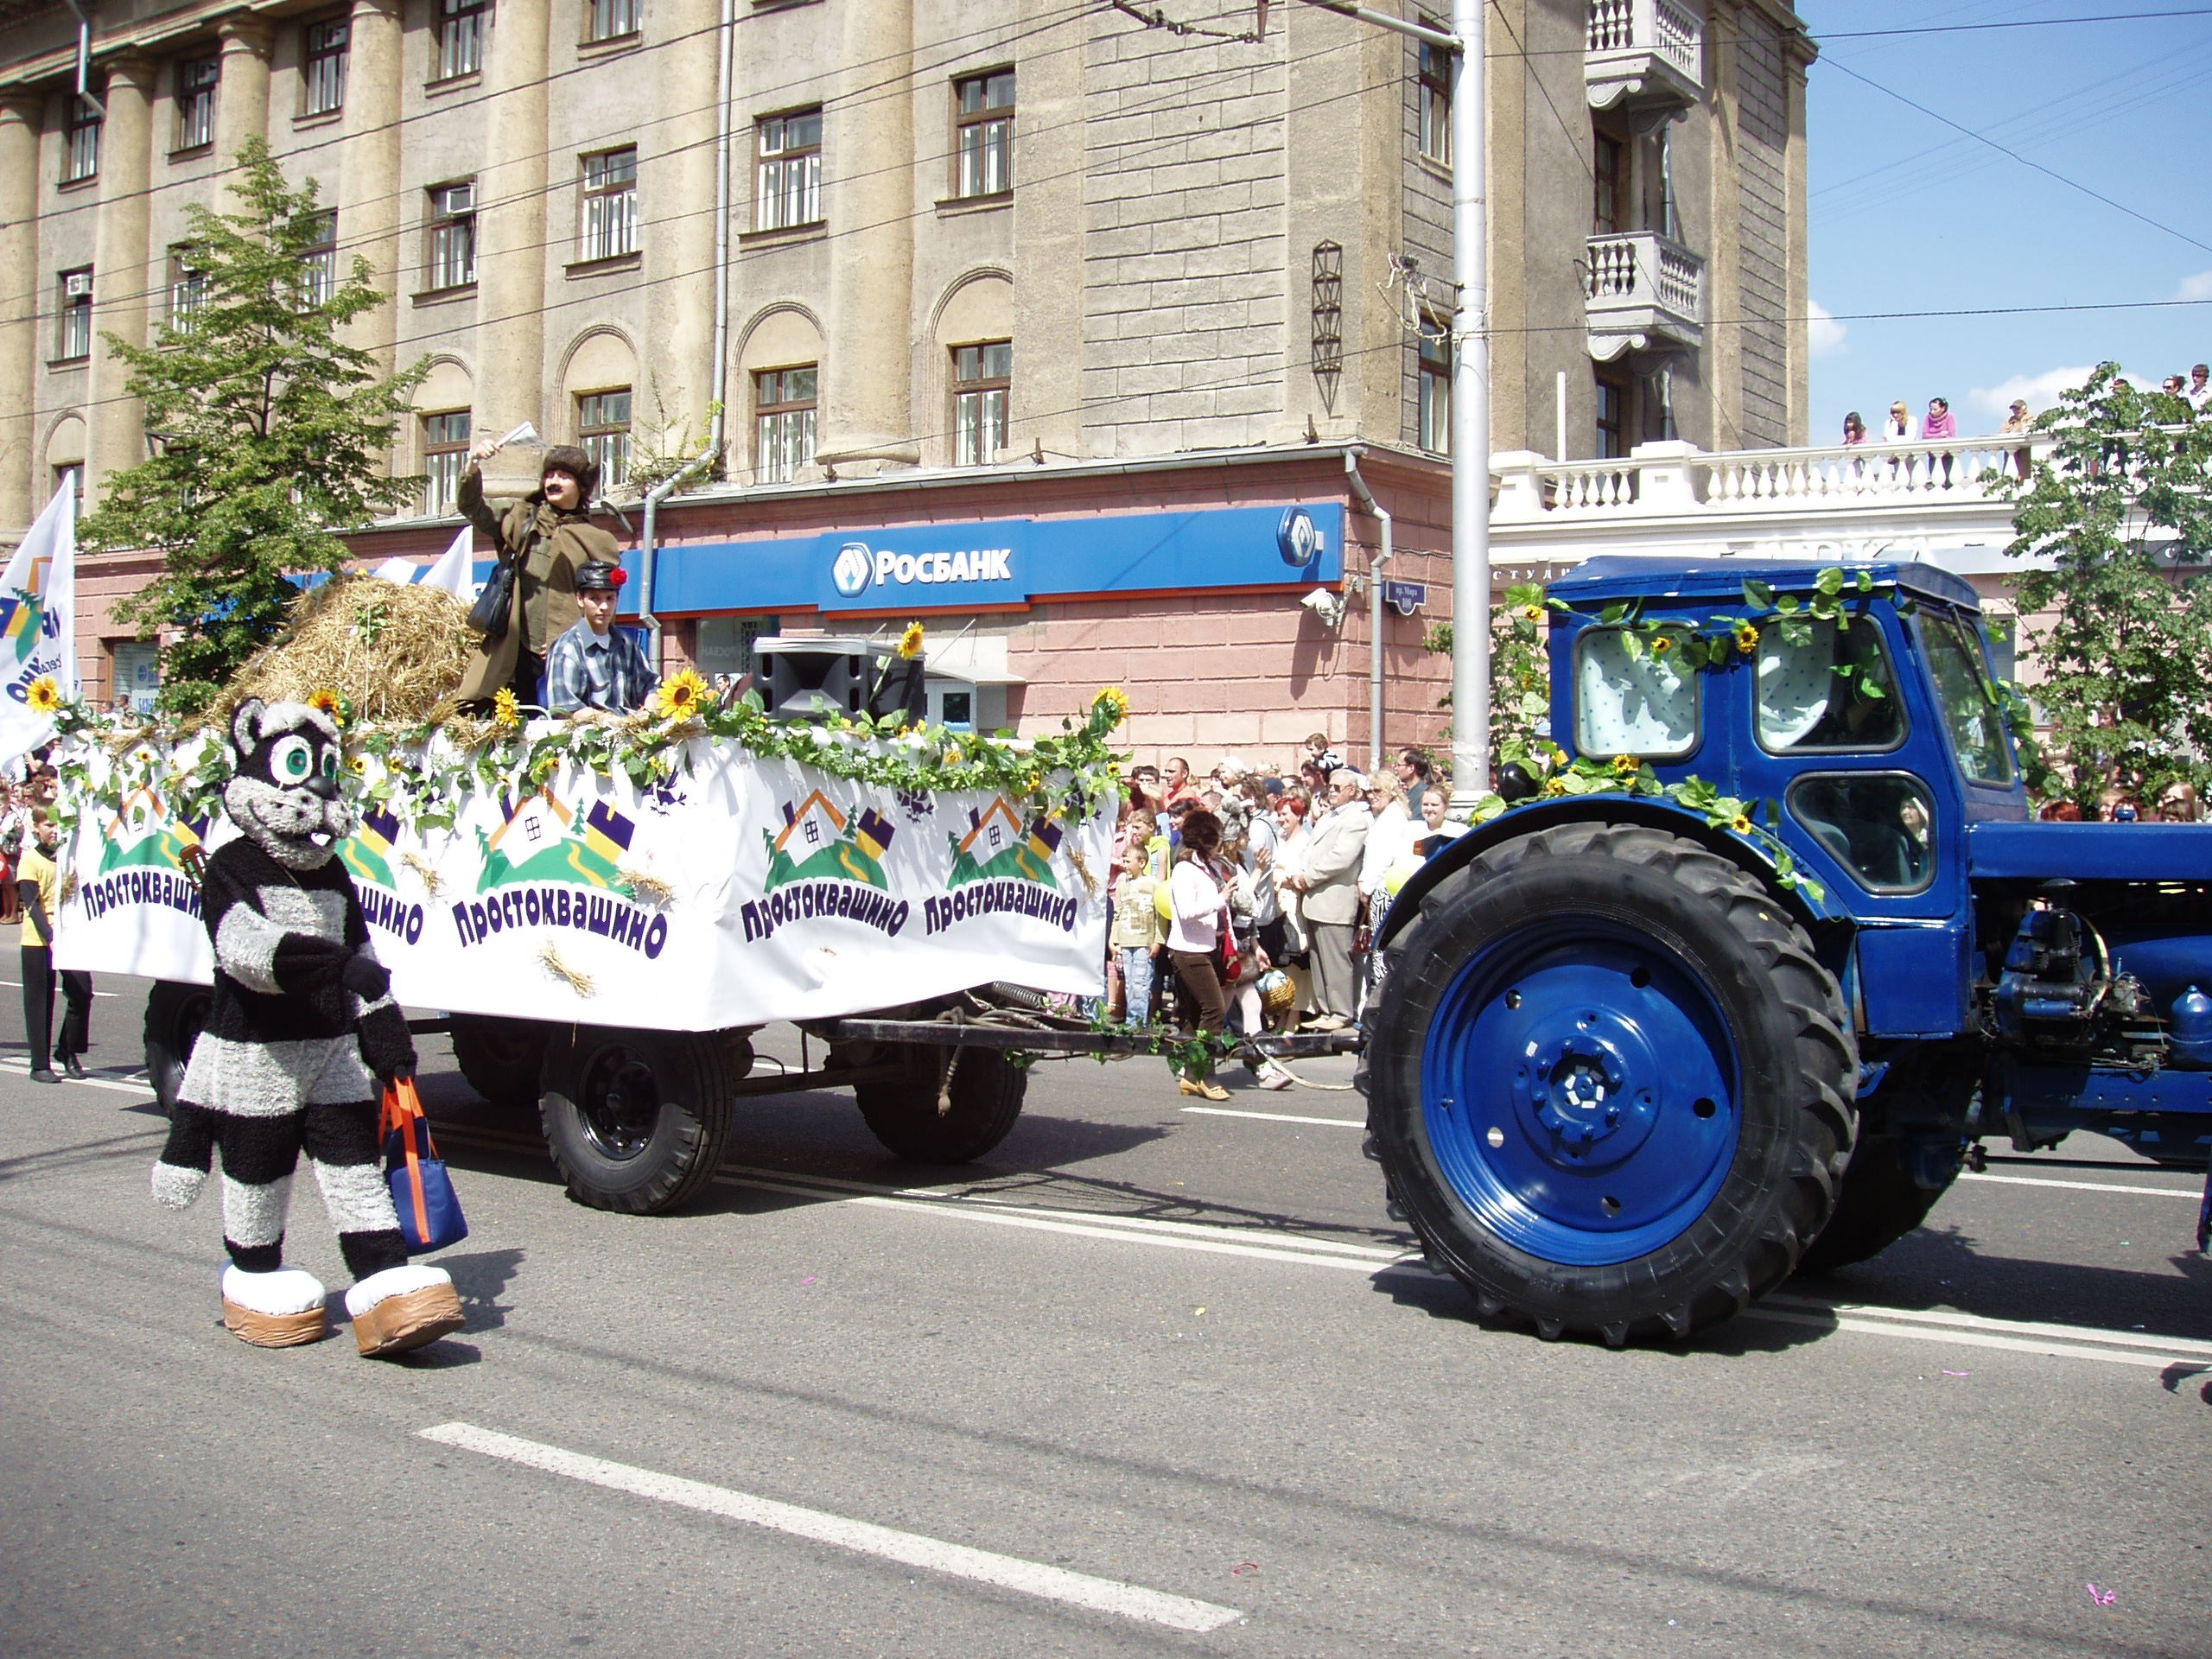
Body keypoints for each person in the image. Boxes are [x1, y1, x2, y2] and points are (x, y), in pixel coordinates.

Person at [454, 437, 620, 709]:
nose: (553, 481)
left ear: (581, 486)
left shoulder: (597, 540)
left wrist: (572, 638)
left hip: (567, 654)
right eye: (549, 475)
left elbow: (604, 604)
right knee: (485, 715)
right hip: (513, 647)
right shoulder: (520, 518)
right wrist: (473, 464)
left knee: (563, 725)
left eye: (564, 476)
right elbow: (473, 508)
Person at [1287, 769, 1370, 1031]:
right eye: (1330, 787)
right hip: (1315, 900)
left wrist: (1307, 878)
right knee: (1319, 959)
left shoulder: (1355, 819)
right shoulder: (1328, 817)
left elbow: (1340, 858)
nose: (1331, 791)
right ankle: (1325, 1009)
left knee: (1336, 959)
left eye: (1338, 787)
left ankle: (1341, 1011)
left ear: (1353, 792)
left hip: (1333, 899)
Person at [1164, 810, 1232, 1102]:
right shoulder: (1183, 870)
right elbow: (1187, 911)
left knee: (1194, 1016)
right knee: (1214, 1009)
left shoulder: (1207, 867)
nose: (1221, 841)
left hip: (1205, 948)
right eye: (1216, 836)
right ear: (1207, 839)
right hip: (1187, 951)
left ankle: (1190, 1076)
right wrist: (1221, 899)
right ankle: (1205, 1072)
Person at [18, 810, 90, 1083]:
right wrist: (49, 936)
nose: (54, 830)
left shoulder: (66, 857)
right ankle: (39, 1064)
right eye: (48, 825)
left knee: (82, 992)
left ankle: (67, 1049)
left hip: (67, 936)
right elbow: (31, 902)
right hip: (39, 939)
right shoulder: (30, 859)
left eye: (58, 824)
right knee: (40, 1000)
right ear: (36, 828)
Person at [545, 560, 657, 715]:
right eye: (595, 598)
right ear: (580, 599)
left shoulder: (626, 644)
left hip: (632, 734)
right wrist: (606, 721)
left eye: (609, 598)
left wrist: (652, 702)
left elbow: (650, 685)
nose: (604, 606)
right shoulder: (567, 648)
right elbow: (564, 710)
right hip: (586, 736)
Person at [1109, 837, 1164, 1026]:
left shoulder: (1153, 884)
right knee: (1129, 983)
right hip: (1126, 940)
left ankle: (1137, 1023)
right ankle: (1131, 1020)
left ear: (1141, 862)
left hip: (1144, 941)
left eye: (1127, 861)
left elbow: (1160, 916)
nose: (1124, 865)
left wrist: (1158, 941)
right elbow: (1118, 913)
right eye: (1123, 861)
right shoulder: (1122, 884)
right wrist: (1113, 940)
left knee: (1141, 983)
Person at [1923, 396, 1958, 486]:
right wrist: (1940, 435)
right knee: (1936, 481)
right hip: (1933, 454)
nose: (1932, 412)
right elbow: (1925, 435)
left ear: (1943, 408)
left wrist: (1934, 437)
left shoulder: (1950, 417)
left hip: (1947, 455)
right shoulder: (1928, 418)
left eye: (1935, 409)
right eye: (1931, 409)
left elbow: (1951, 435)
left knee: (1949, 481)